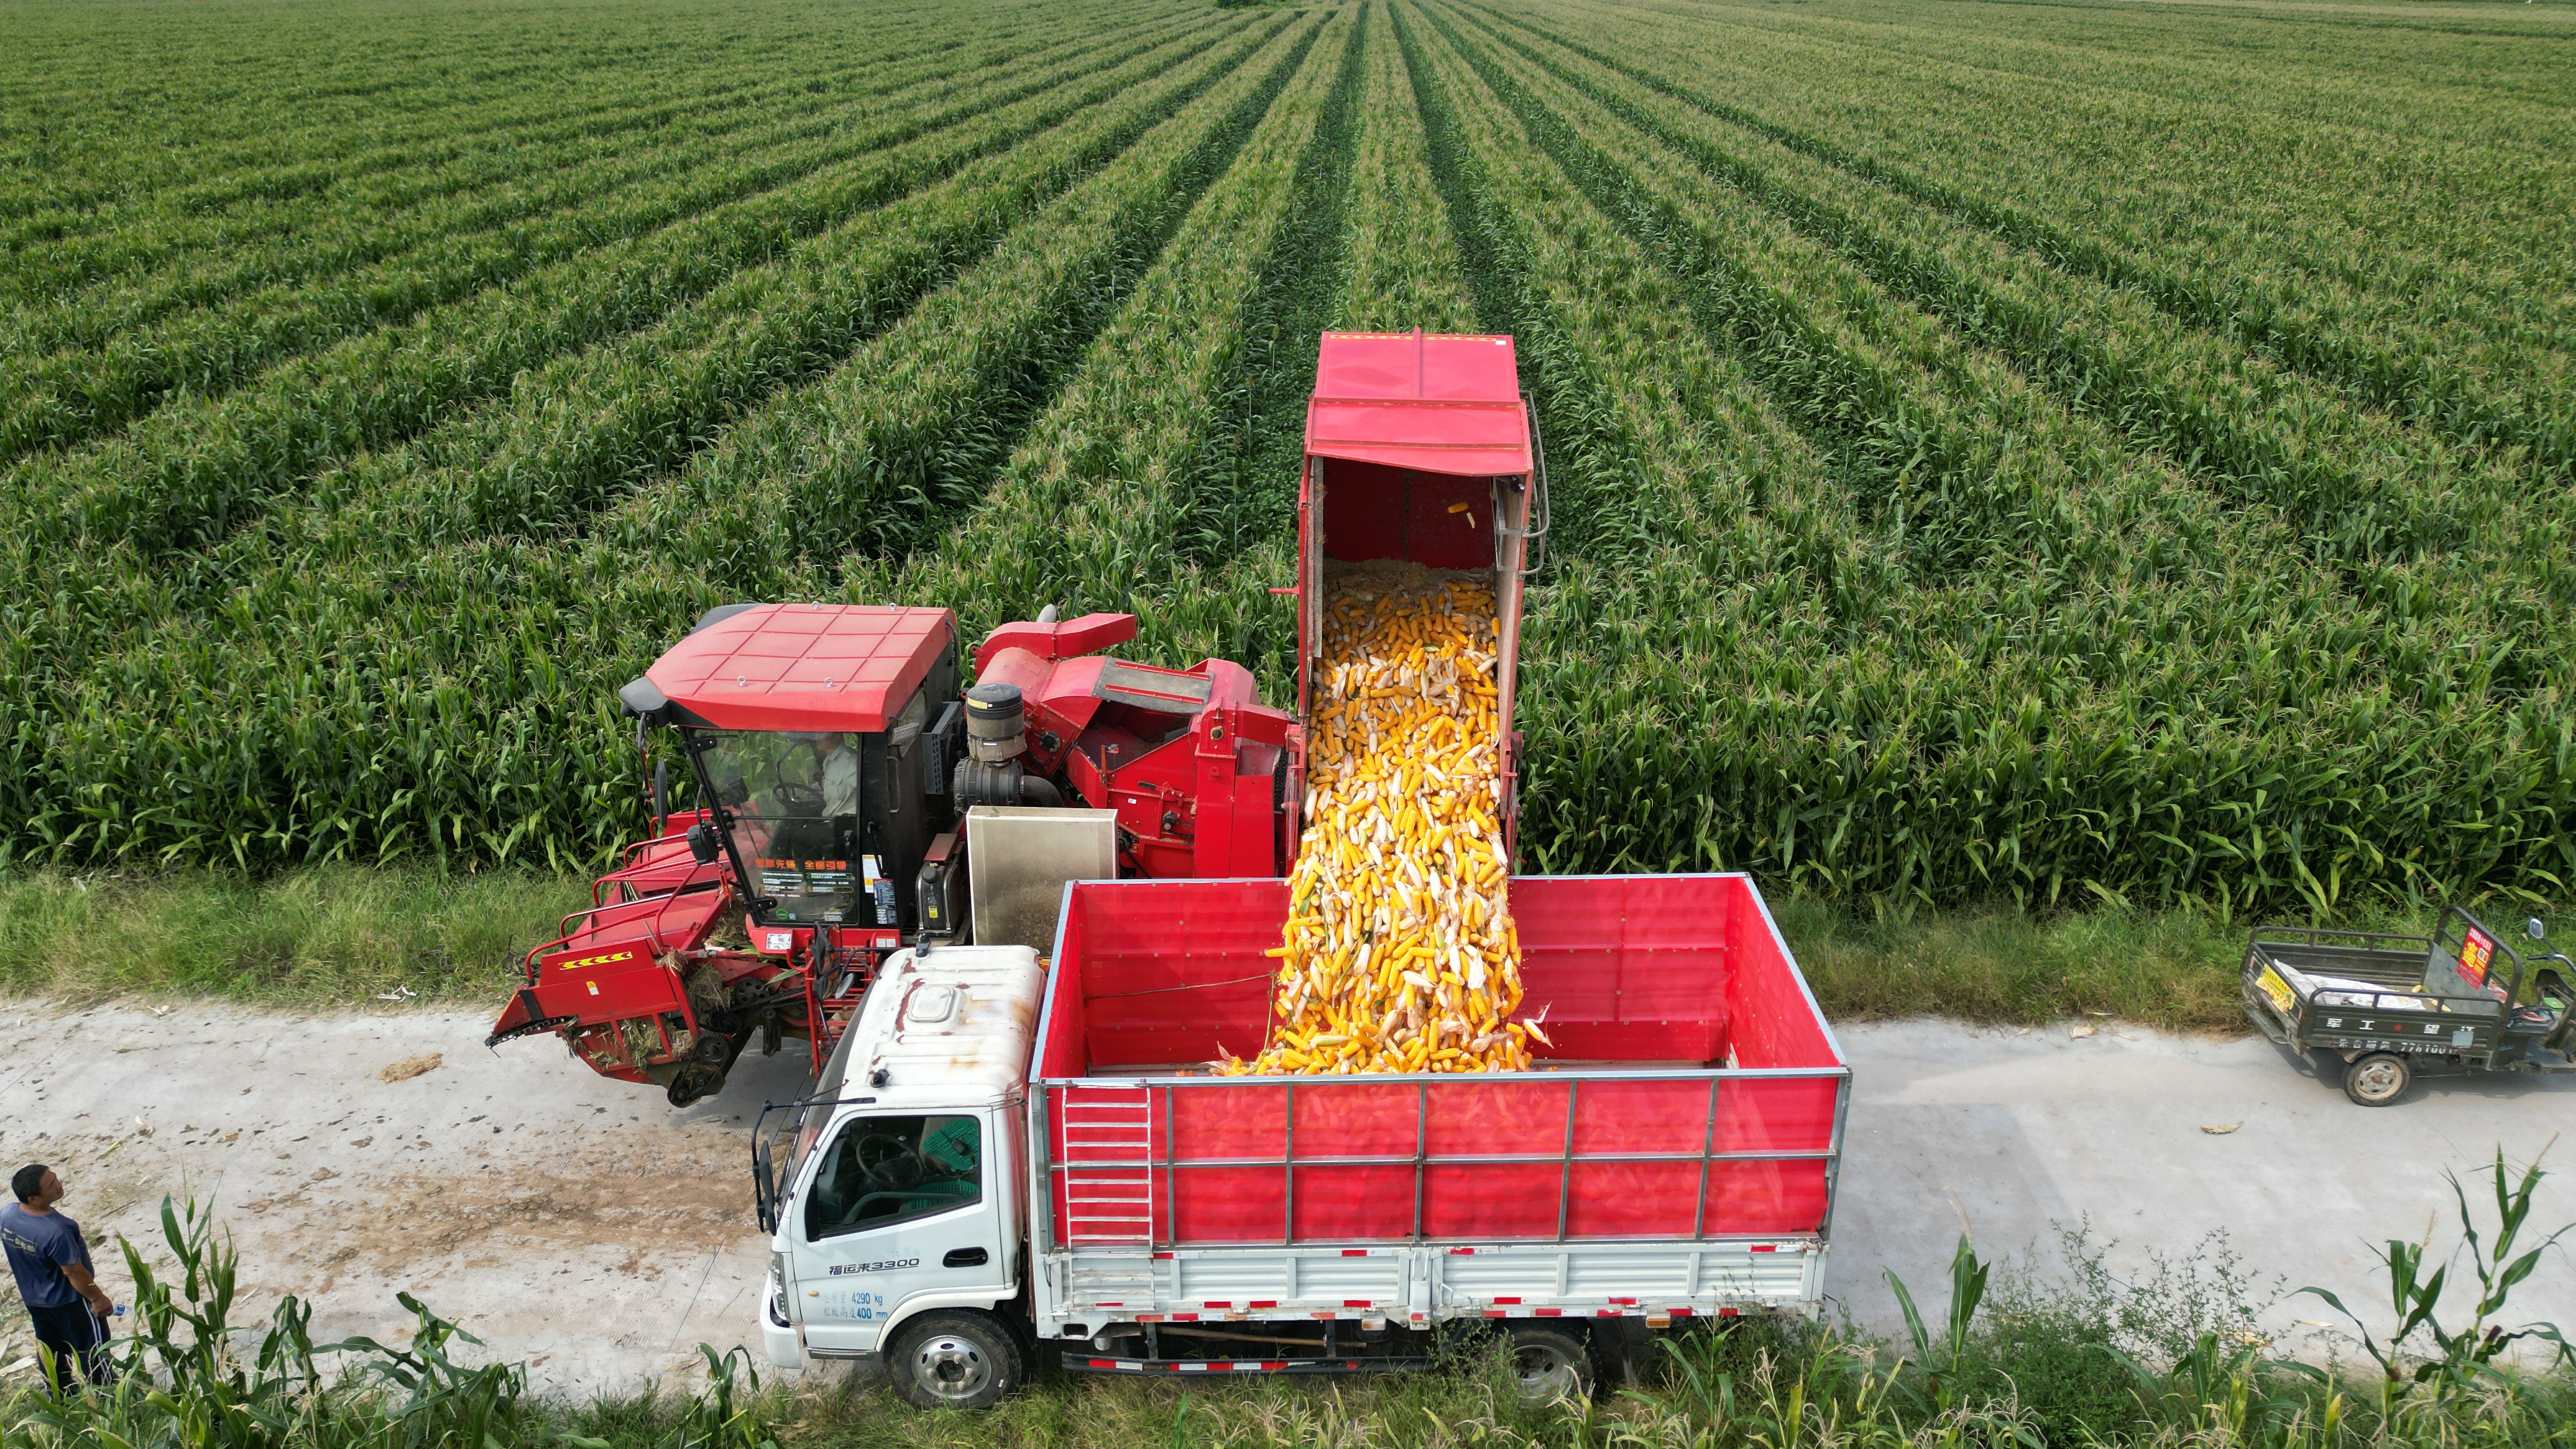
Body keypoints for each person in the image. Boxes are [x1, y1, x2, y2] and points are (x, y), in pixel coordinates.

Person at [2, 1164, 113, 1394]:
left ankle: (59, 1398)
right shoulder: (58, 1230)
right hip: (70, 1302)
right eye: (51, 1185)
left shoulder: (7, 1215)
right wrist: (98, 1297)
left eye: (55, 1179)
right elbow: (74, 1272)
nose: (59, 1184)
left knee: (51, 1352)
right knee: (93, 1353)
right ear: (33, 1198)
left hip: (35, 1301)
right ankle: (107, 1397)